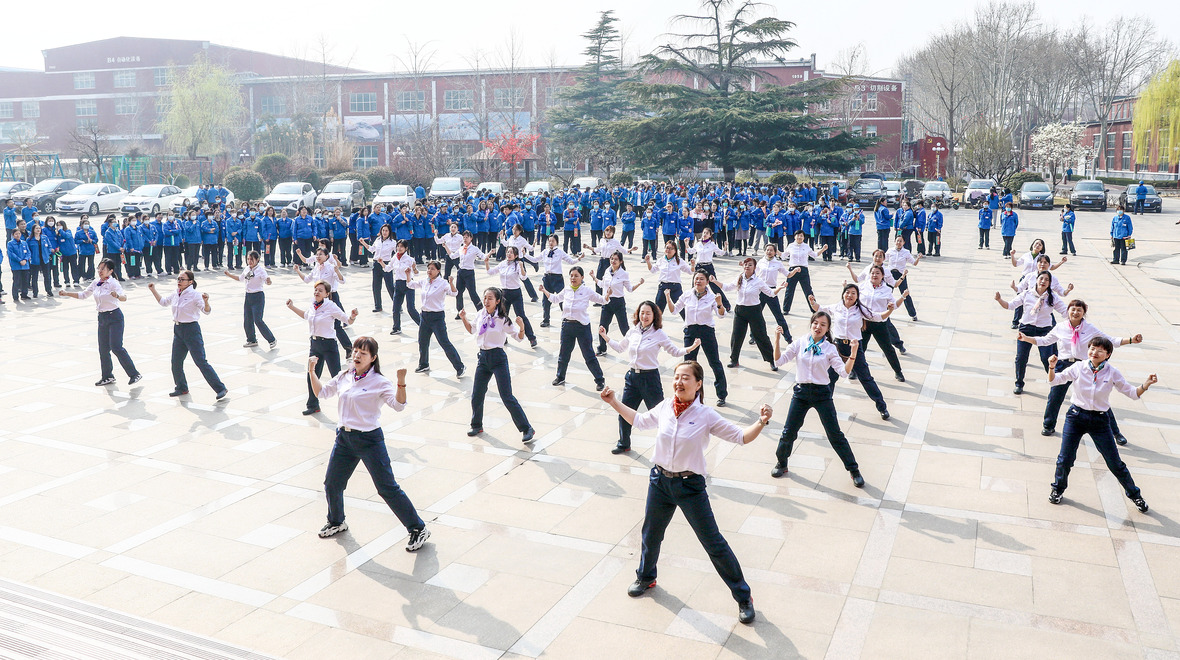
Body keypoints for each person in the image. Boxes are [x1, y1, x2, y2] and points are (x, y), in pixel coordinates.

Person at [601, 361, 771, 625]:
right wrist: (614, 402)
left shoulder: (706, 415)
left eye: (686, 378)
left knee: (713, 543)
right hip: (659, 482)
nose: (679, 382)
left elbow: (741, 437)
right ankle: (646, 577)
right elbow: (640, 420)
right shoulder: (666, 406)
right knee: (650, 534)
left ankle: (744, 598)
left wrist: (761, 422)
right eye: (677, 377)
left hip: (690, 487)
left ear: (698, 384)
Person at [309, 337, 432, 551]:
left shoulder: (379, 382)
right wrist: (311, 372)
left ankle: (418, 528)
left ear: (373, 358)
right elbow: (321, 393)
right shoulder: (345, 376)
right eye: (356, 351)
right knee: (332, 483)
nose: (357, 355)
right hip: (344, 438)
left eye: (363, 353)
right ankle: (337, 521)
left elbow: (399, 405)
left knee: (387, 488)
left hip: (369, 440)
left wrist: (401, 382)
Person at [1046, 338, 1156, 513]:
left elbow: (1132, 393)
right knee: (1065, 459)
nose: (1094, 352)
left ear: (1108, 355)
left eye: (1100, 350)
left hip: (1100, 421)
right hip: (1076, 417)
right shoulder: (1079, 367)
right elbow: (1054, 381)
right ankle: (1057, 489)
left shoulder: (1112, 372)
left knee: (1115, 463)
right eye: (1092, 348)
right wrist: (1052, 367)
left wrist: (1146, 385)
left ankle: (1135, 495)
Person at [1020, 299, 1141, 441]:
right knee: (1055, 396)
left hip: (1084, 367)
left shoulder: (1089, 328)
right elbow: (1044, 340)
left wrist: (1131, 340)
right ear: (1068, 311)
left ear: (1084, 312)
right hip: (1064, 364)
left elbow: (1110, 340)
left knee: (1097, 398)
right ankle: (1048, 425)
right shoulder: (1060, 327)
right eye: (1073, 309)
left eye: (1079, 310)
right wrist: (1026, 338)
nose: (1075, 312)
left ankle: (1116, 433)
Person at [770, 318, 863, 486]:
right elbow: (778, 361)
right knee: (788, 431)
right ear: (811, 324)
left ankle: (853, 470)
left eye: (823, 324)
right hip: (801, 393)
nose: (818, 327)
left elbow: (843, 372)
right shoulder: (800, 343)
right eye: (816, 323)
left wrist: (853, 352)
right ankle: (782, 463)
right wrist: (777, 339)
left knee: (835, 434)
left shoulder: (829, 348)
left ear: (827, 329)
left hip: (822, 394)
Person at [601, 301, 697, 454]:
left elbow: (674, 351)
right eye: (642, 312)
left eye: (648, 313)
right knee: (624, 412)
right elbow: (620, 347)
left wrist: (689, 348)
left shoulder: (658, 334)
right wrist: (606, 337)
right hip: (632, 378)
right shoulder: (633, 331)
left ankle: (673, 445)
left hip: (650, 379)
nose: (644, 316)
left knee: (662, 416)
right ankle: (624, 443)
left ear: (654, 316)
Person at [459, 288, 535, 443]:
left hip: (498, 359)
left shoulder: (503, 319)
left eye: (490, 298)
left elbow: (519, 337)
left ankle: (527, 428)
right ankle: (476, 425)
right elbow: (471, 329)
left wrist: (522, 327)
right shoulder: (480, 314)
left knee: (506, 396)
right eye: (485, 298)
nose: (486, 301)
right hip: (483, 358)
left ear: (498, 301)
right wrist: (463, 318)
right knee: (477, 394)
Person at [808, 285, 895, 419]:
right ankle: (825, 408)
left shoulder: (861, 310)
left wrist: (889, 311)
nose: (849, 295)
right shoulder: (837, 307)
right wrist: (813, 302)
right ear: (843, 294)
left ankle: (882, 407)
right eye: (847, 292)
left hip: (855, 347)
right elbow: (820, 309)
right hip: (837, 347)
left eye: (853, 293)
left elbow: (878, 317)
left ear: (857, 296)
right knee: (830, 377)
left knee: (865, 378)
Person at [57, 258, 142, 386]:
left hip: (115, 317)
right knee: (103, 348)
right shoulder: (96, 282)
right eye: (99, 268)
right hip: (102, 318)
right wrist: (66, 293)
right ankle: (107, 376)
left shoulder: (113, 283)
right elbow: (84, 295)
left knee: (116, 347)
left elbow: (124, 297)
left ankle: (134, 374)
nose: (100, 271)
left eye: (103, 269)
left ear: (110, 271)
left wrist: (117, 296)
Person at [147, 272, 228, 400]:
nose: (179, 281)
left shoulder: (195, 295)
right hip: (178, 330)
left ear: (190, 282)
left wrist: (206, 302)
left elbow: (206, 311)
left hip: (191, 330)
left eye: (182, 279)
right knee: (176, 362)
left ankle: (220, 388)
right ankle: (181, 387)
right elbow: (163, 302)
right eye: (178, 279)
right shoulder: (175, 293)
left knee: (200, 361)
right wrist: (153, 290)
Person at [289, 281, 358, 415]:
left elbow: (347, 320)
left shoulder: (331, 306)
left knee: (337, 377)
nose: (317, 292)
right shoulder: (313, 305)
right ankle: (313, 405)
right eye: (315, 290)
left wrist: (352, 316)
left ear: (327, 294)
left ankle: (349, 407)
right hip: (314, 346)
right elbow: (305, 315)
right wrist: (292, 307)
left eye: (320, 290)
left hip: (329, 346)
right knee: (312, 375)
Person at [995, 270, 1066, 395]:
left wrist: (1076, 312)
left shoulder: (1052, 297)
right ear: (1036, 280)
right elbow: (1010, 305)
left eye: (1046, 280)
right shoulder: (1026, 294)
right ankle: (1019, 383)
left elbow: (1065, 311)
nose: (1043, 281)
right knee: (1021, 358)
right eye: (1041, 278)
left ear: (1049, 283)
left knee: (1046, 358)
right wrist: (1000, 300)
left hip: (1044, 330)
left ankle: (1055, 381)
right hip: (1026, 329)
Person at [544, 266, 607, 391]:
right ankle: (560, 377)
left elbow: (602, 300)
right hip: (567, 326)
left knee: (588, 355)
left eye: (576, 275)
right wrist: (544, 290)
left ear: (582, 278)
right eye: (571, 275)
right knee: (563, 354)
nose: (573, 278)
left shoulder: (587, 290)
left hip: (582, 326)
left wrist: (608, 295)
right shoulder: (566, 289)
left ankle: (600, 380)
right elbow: (555, 299)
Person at [672, 270, 728, 405]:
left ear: (707, 282)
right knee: (688, 365)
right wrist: (668, 298)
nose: (698, 281)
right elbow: (674, 310)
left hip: (706, 331)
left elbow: (721, 315)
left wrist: (720, 304)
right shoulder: (687, 295)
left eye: (702, 279)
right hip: (690, 332)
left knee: (714, 362)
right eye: (696, 279)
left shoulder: (712, 297)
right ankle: (690, 395)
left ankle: (722, 394)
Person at [715, 257, 781, 370]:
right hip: (740, 311)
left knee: (761, 336)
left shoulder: (758, 281)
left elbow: (771, 293)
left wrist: (780, 287)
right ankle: (734, 359)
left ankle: (772, 360)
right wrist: (714, 281)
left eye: (750, 265)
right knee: (736, 336)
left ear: (754, 268)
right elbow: (726, 287)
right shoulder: (739, 278)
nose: (747, 266)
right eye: (745, 264)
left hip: (754, 311)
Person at [407, 260, 464, 376]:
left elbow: (454, 293)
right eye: (428, 268)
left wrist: (452, 283)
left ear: (438, 271)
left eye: (432, 269)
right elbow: (410, 285)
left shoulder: (443, 283)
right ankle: (424, 364)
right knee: (423, 342)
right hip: (424, 316)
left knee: (444, 342)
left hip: (437, 317)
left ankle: (460, 366)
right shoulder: (424, 281)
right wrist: (408, 275)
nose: (429, 271)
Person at [296, 248, 353, 354]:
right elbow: (307, 280)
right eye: (317, 254)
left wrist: (337, 271)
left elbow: (342, 281)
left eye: (321, 254)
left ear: (327, 256)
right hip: (319, 298)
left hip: (331, 297)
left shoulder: (331, 268)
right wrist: (298, 271)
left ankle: (348, 347)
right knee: (319, 322)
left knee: (336, 325)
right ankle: (320, 347)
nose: (318, 256)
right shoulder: (316, 268)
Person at [593, 252, 644, 356]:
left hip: (618, 303)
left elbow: (629, 289)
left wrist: (639, 284)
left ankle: (635, 347)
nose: (613, 261)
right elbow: (602, 284)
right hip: (607, 302)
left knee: (624, 327)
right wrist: (594, 277)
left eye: (616, 259)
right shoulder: (607, 270)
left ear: (621, 261)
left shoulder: (624, 274)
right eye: (612, 258)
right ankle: (602, 348)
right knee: (603, 326)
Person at [223, 250, 277, 349]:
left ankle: (271, 339)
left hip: (258, 296)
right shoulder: (247, 269)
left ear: (257, 259)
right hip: (248, 296)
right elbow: (240, 278)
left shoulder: (260, 270)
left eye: (252, 259)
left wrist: (269, 281)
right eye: (248, 259)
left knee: (258, 320)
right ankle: (251, 340)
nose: (250, 261)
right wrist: (229, 275)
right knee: (247, 320)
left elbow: (267, 280)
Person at [487, 246, 539, 348]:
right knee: (502, 316)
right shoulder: (502, 264)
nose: (509, 254)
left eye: (511, 253)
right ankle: (503, 337)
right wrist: (486, 262)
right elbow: (490, 272)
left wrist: (522, 267)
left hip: (516, 294)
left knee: (521, 315)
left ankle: (532, 338)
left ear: (515, 256)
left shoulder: (517, 265)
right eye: (508, 252)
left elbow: (523, 277)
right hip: (504, 294)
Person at [538, 234, 581, 327]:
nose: (550, 243)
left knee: (562, 299)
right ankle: (546, 320)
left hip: (557, 278)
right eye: (549, 241)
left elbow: (571, 261)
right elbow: (535, 259)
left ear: (557, 242)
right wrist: (524, 254)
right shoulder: (545, 252)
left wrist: (578, 259)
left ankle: (567, 318)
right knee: (546, 300)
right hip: (547, 278)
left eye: (553, 241)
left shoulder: (560, 252)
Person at [648, 241, 691, 320]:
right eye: (667, 248)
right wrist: (648, 262)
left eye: (671, 248)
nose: (669, 250)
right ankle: (655, 329)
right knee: (657, 311)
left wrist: (693, 265)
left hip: (675, 288)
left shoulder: (679, 261)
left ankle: (690, 327)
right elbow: (652, 270)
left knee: (682, 309)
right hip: (663, 287)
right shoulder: (661, 260)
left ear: (675, 251)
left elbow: (690, 271)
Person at [782, 230, 822, 315]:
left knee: (808, 290)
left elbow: (815, 255)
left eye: (801, 236)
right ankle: (786, 309)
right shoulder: (791, 246)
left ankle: (814, 309)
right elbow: (783, 256)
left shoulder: (806, 246)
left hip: (803, 270)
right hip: (793, 270)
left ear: (804, 237)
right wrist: (774, 250)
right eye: (798, 235)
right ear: (794, 237)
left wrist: (823, 249)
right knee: (789, 290)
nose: (799, 237)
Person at [359, 224, 397, 313]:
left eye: (386, 231)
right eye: (383, 230)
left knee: (390, 286)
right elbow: (372, 249)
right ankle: (378, 306)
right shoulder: (378, 240)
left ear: (389, 232)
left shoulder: (393, 242)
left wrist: (393, 263)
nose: (384, 232)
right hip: (376, 264)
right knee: (376, 286)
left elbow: (397, 253)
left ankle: (397, 305)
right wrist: (363, 243)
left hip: (386, 264)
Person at [884, 235, 920, 322]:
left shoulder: (906, 252)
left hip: (901, 275)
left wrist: (918, 258)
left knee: (905, 294)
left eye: (901, 241)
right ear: (894, 242)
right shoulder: (890, 250)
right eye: (897, 241)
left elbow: (914, 263)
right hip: (890, 274)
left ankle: (913, 314)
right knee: (886, 293)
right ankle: (884, 312)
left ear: (903, 243)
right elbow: (883, 259)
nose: (899, 243)